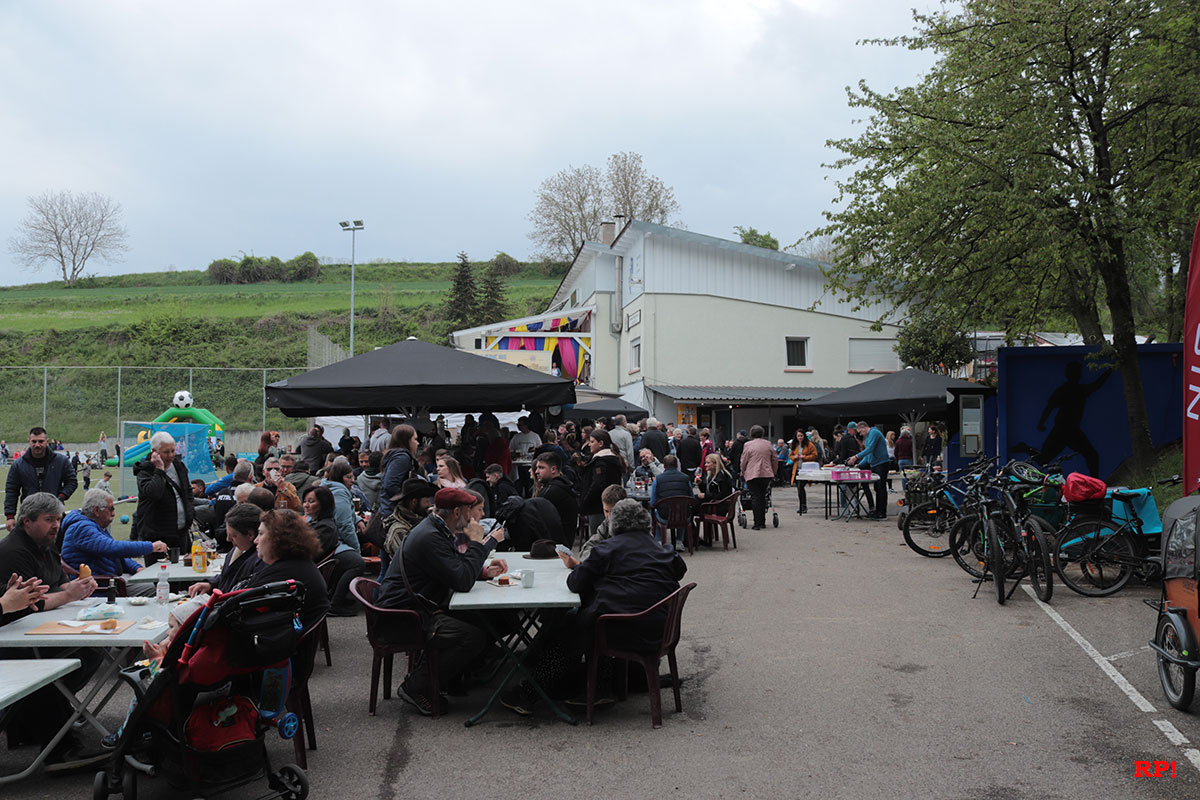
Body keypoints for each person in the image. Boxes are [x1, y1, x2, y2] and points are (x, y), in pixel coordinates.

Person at [500, 499, 686, 715]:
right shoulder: (665, 551)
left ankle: (529, 693)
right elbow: (679, 570)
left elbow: (575, 584)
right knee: (600, 616)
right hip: (660, 631)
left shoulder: (607, 549)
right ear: (645, 523)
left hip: (620, 631)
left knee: (570, 629)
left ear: (614, 525)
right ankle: (600, 688)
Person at [376, 487, 509, 716]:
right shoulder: (430, 537)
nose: (473, 517)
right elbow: (462, 580)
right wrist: (477, 543)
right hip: (405, 615)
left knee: (495, 619)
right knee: (472, 635)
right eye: (470, 510)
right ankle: (416, 686)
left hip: (420, 605)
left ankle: (450, 679)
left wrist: (483, 572)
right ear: (457, 512)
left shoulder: (437, 529)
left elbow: (454, 568)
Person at [0, 493, 105, 770]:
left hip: (38, 629)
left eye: (58, 519)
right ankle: (58, 748)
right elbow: (28, 605)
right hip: (14, 640)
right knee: (57, 665)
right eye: (49, 520)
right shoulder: (14, 552)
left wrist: (74, 590)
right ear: (26, 522)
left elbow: (57, 587)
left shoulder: (46, 545)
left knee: (91, 651)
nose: (56, 525)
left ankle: (39, 719)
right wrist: (68, 595)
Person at [60, 489, 166, 591]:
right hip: (100, 585)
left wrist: (136, 567)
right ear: (96, 510)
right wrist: (151, 547)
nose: (114, 513)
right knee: (154, 588)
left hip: (107, 580)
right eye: (111, 509)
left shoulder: (90, 525)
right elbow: (113, 548)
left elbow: (115, 555)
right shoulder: (82, 528)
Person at [251, 509, 330, 633]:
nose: (255, 540)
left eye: (261, 533)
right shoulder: (298, 564)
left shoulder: (284, 574)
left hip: (277, 646)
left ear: (277, 538)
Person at [132, 431, 194, 557]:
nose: (171, 455)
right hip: (156, 535)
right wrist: (159, 470)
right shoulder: (145, 471)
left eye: (173, 451)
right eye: (166, 452)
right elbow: (154, 493)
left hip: (181, 532)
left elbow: (187, 491)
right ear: (155, 451)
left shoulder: (178, 465)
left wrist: (190, 512)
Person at [4, 427, 78, 532]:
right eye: (34, 441)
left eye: (41, 441)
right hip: (29, 516)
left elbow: (72, 482)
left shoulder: (61, 461)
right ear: (29, 441)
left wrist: (60, 497)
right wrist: (10, 516)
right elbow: (12, 490)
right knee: (28, 547)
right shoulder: (18, 465)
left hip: (54, 514)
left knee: (56, 547)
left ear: (47, 442)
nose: (37, 445)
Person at [320, 458, 367, 616]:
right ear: (340, 477)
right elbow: (345, 525)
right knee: (356, 563)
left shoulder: (329, 488)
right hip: (332, 542)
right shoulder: (339, 493)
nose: (353, 480)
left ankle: (338, 596)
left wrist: (358, 519)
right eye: (348, 477)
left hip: (326, 539)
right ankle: (336, 604)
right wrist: (356, 550)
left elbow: (345, 516)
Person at [188, 503, 264, 597]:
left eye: (233, 536)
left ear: (250, 535)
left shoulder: (260, 559)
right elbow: (228, 577)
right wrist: (211, 584)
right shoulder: (236, 550)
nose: (228, 539)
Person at [579, 429, 625, 537]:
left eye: (592, 442)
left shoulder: (601, 462)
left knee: (598, 540)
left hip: (598, 508)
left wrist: (585, 501)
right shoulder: (612, 459)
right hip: (610, 506)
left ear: (601, 443)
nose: (589, 445)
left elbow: (597, 484)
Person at [382, 478, 437, 557]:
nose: (430, 505)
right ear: (414, 502)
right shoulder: (399, 531)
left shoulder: (423, 521)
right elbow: (409, 561)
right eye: (427, 501)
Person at [649, 455, 694, 551]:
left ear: (664, 466)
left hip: (664, 516)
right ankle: (679, 541)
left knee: (655, 511)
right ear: (677, 465)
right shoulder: (686, 478)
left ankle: (659, 540)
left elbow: (653, 501)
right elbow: (691, 497)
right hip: (684, 516)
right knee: (682, 508)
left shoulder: (658, 479)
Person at [533, 451, 579, 545]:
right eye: (537, 467)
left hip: (553, 544)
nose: (536, 471)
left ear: (553, 469)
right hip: (562, 542)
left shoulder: (551, 491)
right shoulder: (563, 485)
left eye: (541, 467)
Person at [847, 420, 890, 520]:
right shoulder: (868, 436)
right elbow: (868, 454)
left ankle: (882, 512)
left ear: (864, 428)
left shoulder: (874, 433)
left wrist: (856, 457)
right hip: (874, 464)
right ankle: (877, 511)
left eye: (860, 432)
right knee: (877, 488)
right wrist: (860, 465)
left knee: (881, 488)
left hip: (881, 463)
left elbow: (870, 449)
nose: (860, 434)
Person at [578, 484, 627, 561]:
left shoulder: (631, 526)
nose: (609, 516)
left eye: (613, 511)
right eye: (606, 511)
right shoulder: (606, 525)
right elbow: (586, 549)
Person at [378, 424, 418, 518]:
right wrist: (407, 501)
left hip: (390, 510)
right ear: (406, 440)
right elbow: (390, 484)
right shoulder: (402, 458)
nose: (417, 443)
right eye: (415, 439)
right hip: (394, 513)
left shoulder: (398, 456)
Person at [740, 425, 775, 530]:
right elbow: (774, 459)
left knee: (755, 497)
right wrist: (774, 471)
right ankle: (762, 521)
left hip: (752, 474)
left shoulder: (748, 445)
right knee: (763, 496)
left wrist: (742, 471)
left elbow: (744, 460)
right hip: (766, 474)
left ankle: (757, 523)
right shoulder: (768, 444)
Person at [788, 430, 819, 514]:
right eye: (798, 436)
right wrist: (795, 457)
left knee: (801, 486)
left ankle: (803, 506)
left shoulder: (809, 445)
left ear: (804, 436)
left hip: (806, 469)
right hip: (797, 469)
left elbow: (815, 455)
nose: (800, 437)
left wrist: (805, 457)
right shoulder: (795, 445)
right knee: (799, 487)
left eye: (801, 436)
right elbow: (790, 455)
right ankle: (802, 505)